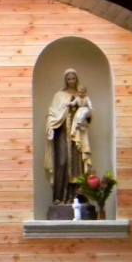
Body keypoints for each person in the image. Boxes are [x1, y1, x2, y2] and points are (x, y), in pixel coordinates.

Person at [44, 68, 90, 204]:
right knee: (63, 162)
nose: (71, 81)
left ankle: (77, 197)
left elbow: (88, 112)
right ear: (65, 80)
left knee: (78, 165)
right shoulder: (59, 95)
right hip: (62, 133)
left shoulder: (81, 95)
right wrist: (50, 126)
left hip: (77, 133)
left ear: (77, 79)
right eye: (68, 79)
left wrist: (85, 116)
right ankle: (60, 196)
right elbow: (51, 113)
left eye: (73, 78)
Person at [69, 85, 94, 172]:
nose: (81, 93)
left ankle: (80, 123)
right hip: (79, 112)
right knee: (80, 116)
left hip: (85, 111)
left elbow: (90, 104)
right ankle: (77, 125)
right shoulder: (77, 98)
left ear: (85, 92)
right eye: (79, 92)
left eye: (82, 92)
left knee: (84, 113)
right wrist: (69, 103)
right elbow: (73, 103)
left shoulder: (87, 98)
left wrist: (90, 108)